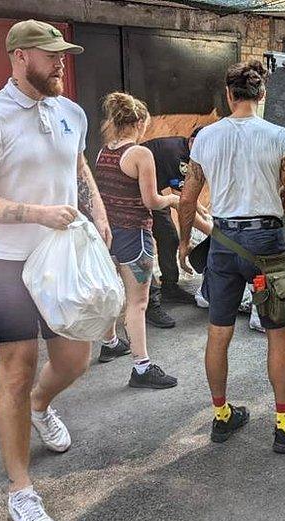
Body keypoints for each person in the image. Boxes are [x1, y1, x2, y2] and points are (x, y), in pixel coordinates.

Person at [0, 20, 110, 521]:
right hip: (8, 265)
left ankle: (43, 406)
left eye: (63, 53)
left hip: (62, 260)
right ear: (20, 57)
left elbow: (79, 162)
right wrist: (35, 212)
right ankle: (22, 491)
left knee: (75, 359)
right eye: (50, 55)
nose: (61, 62)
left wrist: (98, 207)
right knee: (15, 374)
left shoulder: (71, 111)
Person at [177, 60, 285, 453]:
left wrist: (182, 243)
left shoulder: (206, 138)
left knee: (219, 332)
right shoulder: (278, 136)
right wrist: (279, 200)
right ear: (262, 95)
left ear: (229, 96)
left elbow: (188, 198)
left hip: (225, 242)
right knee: (279, 335)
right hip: (266, 246)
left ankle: (222, 417)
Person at [94, 91, 180, 391]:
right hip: (135, 237)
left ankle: (109, 343)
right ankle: (142, 368)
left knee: (113, 294)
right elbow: (152, 201)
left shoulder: (103, 151)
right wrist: (174, 200)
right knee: (138, 303)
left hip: (109, 236)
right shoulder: (141, 155)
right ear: (139, 122)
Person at [142, 127, 213, 328]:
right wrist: (213, 233)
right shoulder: (177, 154)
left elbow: (184, 193)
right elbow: (183, 204)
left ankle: (170, 287)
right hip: (134, 195)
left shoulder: (187, 152)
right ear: (192, 141)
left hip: (153, 192)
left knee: (169, 237)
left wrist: (202, 210)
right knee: (143, 249)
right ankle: (149, 303)